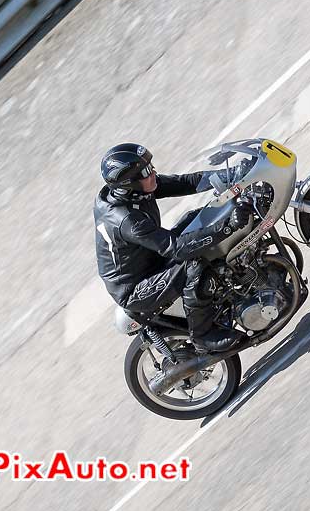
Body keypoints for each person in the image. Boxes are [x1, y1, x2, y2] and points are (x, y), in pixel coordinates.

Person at [94, 143, 253, 353]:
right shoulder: (128, 220)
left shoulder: (133, 192)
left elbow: (185, 182)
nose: (153, 173)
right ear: (128, 184)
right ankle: (203, 336)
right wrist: (227, 227)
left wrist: (232, 174)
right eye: (145, 172)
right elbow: (176, 248)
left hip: (150, 260)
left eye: (150, 166)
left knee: (196, 218)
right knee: (194, 263)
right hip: (135, 288)